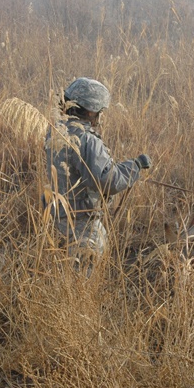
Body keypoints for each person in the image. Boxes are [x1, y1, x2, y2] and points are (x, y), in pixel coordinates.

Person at [43, 77, 151, 274]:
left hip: (57, 215)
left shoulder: (56, 131)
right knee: (82, 276)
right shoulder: (87, 140)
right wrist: (134, 167)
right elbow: (106, 181)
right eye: (100, 111)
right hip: (82, 223)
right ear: (92, 111)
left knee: (61, 270)